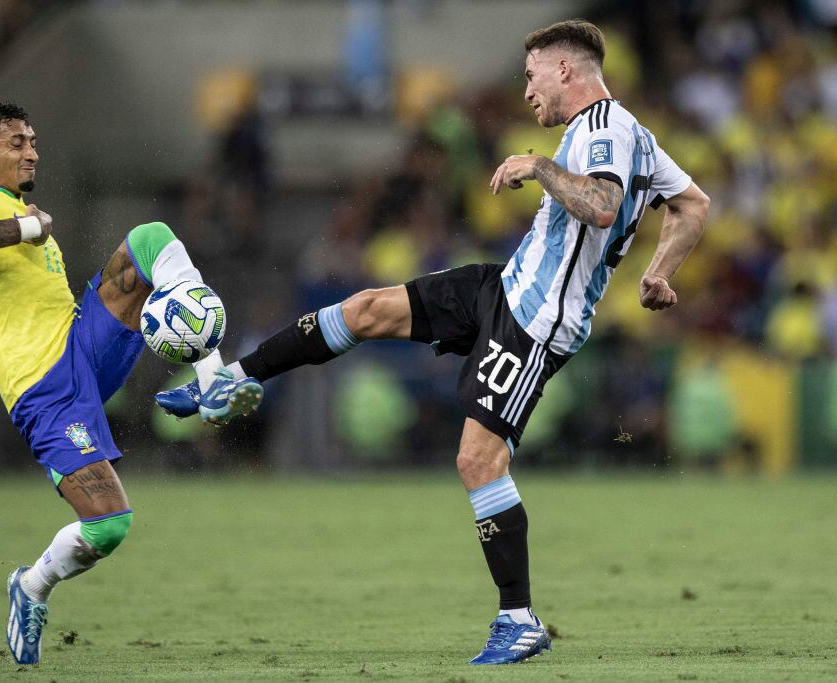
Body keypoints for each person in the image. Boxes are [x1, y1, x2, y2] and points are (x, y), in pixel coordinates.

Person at [158, 19, 710, 664]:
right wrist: (657, 273)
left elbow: (603, 206)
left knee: (478, 461)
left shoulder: (605, 131)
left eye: (532, 75)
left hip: (536, 324)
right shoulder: (635, 135)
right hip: (503, 288)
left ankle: (519, 618)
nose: (527, 90)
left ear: (566, 70)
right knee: (365, 309)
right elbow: (693, 206)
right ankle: (239, 378)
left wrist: (538, 165)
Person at [0, 101, 262, 665]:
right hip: (44, 387)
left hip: (80, 340)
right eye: (16, 143)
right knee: (109, 525)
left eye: (32, 140)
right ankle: (32, 586)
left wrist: (25, 225)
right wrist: (25, 226)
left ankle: (213, 378)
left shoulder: (15, 208)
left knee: (150, 242)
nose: (31, 151)